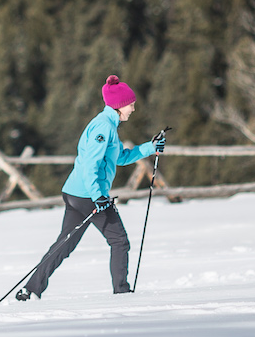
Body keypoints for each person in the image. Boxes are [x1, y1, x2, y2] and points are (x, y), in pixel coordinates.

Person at [15, 76, 164, 299]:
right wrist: (98, 196)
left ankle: (31, 289)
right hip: (88, 196)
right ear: (119, 105)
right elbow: (90, 166)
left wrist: (150, 147)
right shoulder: (103, 128)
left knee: (65, 244)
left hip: (78, 194)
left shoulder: (108, 125)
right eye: (130, 104)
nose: (133, 108)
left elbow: (120, 158)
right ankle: (122, 293)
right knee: (119, 241)